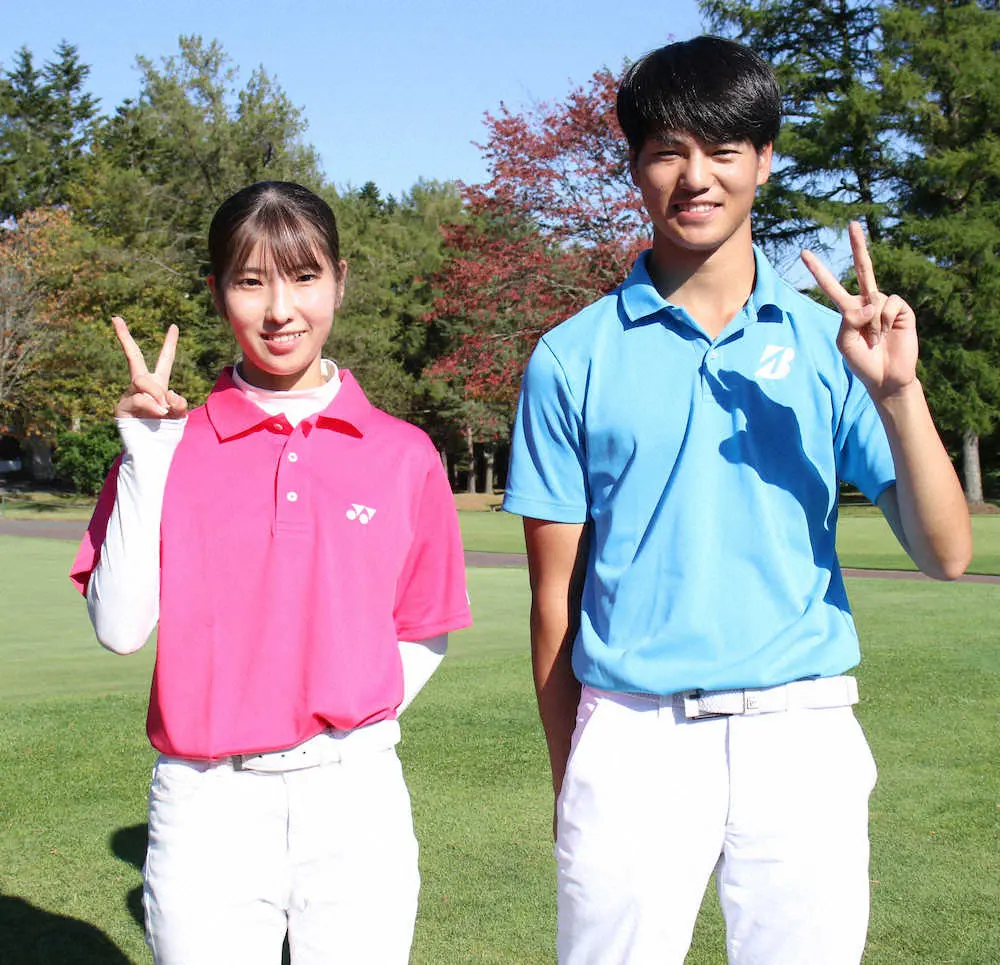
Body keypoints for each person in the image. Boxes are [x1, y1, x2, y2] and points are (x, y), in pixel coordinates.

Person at [502, 36, 972, 965]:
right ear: (635, 165)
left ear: (763, 158)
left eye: (722, 149)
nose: (695, 177)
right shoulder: (570, 356)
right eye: (667, 150)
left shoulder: (830, 342)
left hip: (802, 729)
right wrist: (575, 773)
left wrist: (897, 392)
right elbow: (552, 598)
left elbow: (947, 551)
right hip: (631, 733)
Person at [70, 181, 472, 965]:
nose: (280, 308)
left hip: (356, 793)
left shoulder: (402, 453)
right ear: (219, 290)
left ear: (341, 280)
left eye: (304, 277)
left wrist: (341, 721)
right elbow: (120, 630)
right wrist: (146, 454)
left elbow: (422, 633)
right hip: (205, 798)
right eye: (251, 281)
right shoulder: (164, 446)